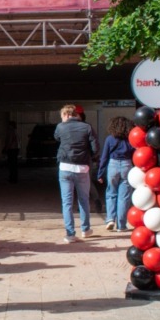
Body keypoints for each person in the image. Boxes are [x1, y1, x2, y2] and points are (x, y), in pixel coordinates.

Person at [54, 104, 98, 243]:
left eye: (62, 116)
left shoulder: (61, 126)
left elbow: (57, 138)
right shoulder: (87, 127)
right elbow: (95, 147)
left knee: (67, 202)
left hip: (65, 167)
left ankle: (70, 234)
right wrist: (89, 156)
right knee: (83, 200)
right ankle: (85, 230)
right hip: (82, 168)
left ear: (66, 114)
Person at [98, 116, 136, 233]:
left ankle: (110, 219)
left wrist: (100, 173)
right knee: (124, 197)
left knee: (111, 193)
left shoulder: (110, 139)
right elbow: (135, 155)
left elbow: (104, 157)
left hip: (112, 165)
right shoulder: (130, 140)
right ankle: (121, 225)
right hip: (127, 165)